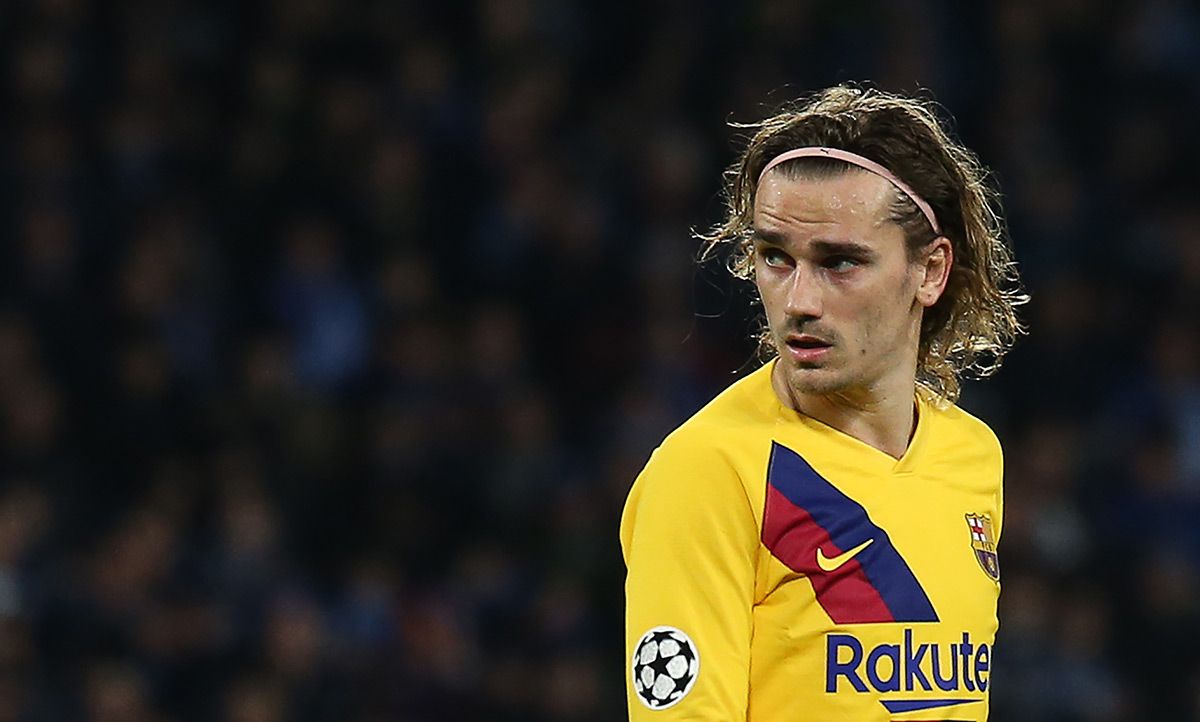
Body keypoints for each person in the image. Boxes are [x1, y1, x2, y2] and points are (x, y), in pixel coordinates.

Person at [620, 85, 1026, 721]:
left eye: (840, 262)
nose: (799, 300)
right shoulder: (709, 471)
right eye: (775, 257)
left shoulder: (972, 455)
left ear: (930, 271)